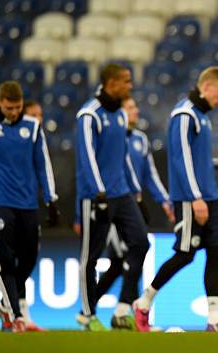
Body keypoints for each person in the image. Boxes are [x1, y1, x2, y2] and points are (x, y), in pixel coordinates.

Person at [133, 66, 218, 332]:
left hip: (210, 196)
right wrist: (195, 198)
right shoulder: (184, 115)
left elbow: (194, 156)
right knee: (185, 255)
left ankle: (214, 319)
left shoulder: (201, 116)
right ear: (206, 87)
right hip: (190, 199)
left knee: (216, 251)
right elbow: (180, 159)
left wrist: (215, 163)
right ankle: (144, 302)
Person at [0, 81, 59, 332]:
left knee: (28, 260)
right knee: (6, 262)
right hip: (1, 203)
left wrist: (51, 199)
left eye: (18, 107)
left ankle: (0, 306)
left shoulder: (33, 126)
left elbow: (43, 164)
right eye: (9, 108)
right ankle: (15, 315)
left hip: (28, 204)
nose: (14, 112)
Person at [75, 64, 150, 331]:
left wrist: (136, 191)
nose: (130, 86)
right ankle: (87, 313)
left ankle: (122, 306)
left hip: (122, 193)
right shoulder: (88, 115)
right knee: (91, 257)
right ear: (110, 82)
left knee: (140, 243)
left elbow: (123, 157)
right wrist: (100, 192)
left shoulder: (120, 113)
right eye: (126, 81)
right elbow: (87, 159)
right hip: (96, 197)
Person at [91, 97, 175, 305]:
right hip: (111, 205)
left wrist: (164, 200)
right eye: (130, 108)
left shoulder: (140, 139)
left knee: (124, 259)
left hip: (131, 206)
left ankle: (99, 309)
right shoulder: (111, 139)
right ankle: (119, 308)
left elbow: (150, 174)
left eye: (136, 107)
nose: (136, 111)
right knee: (126, 255)